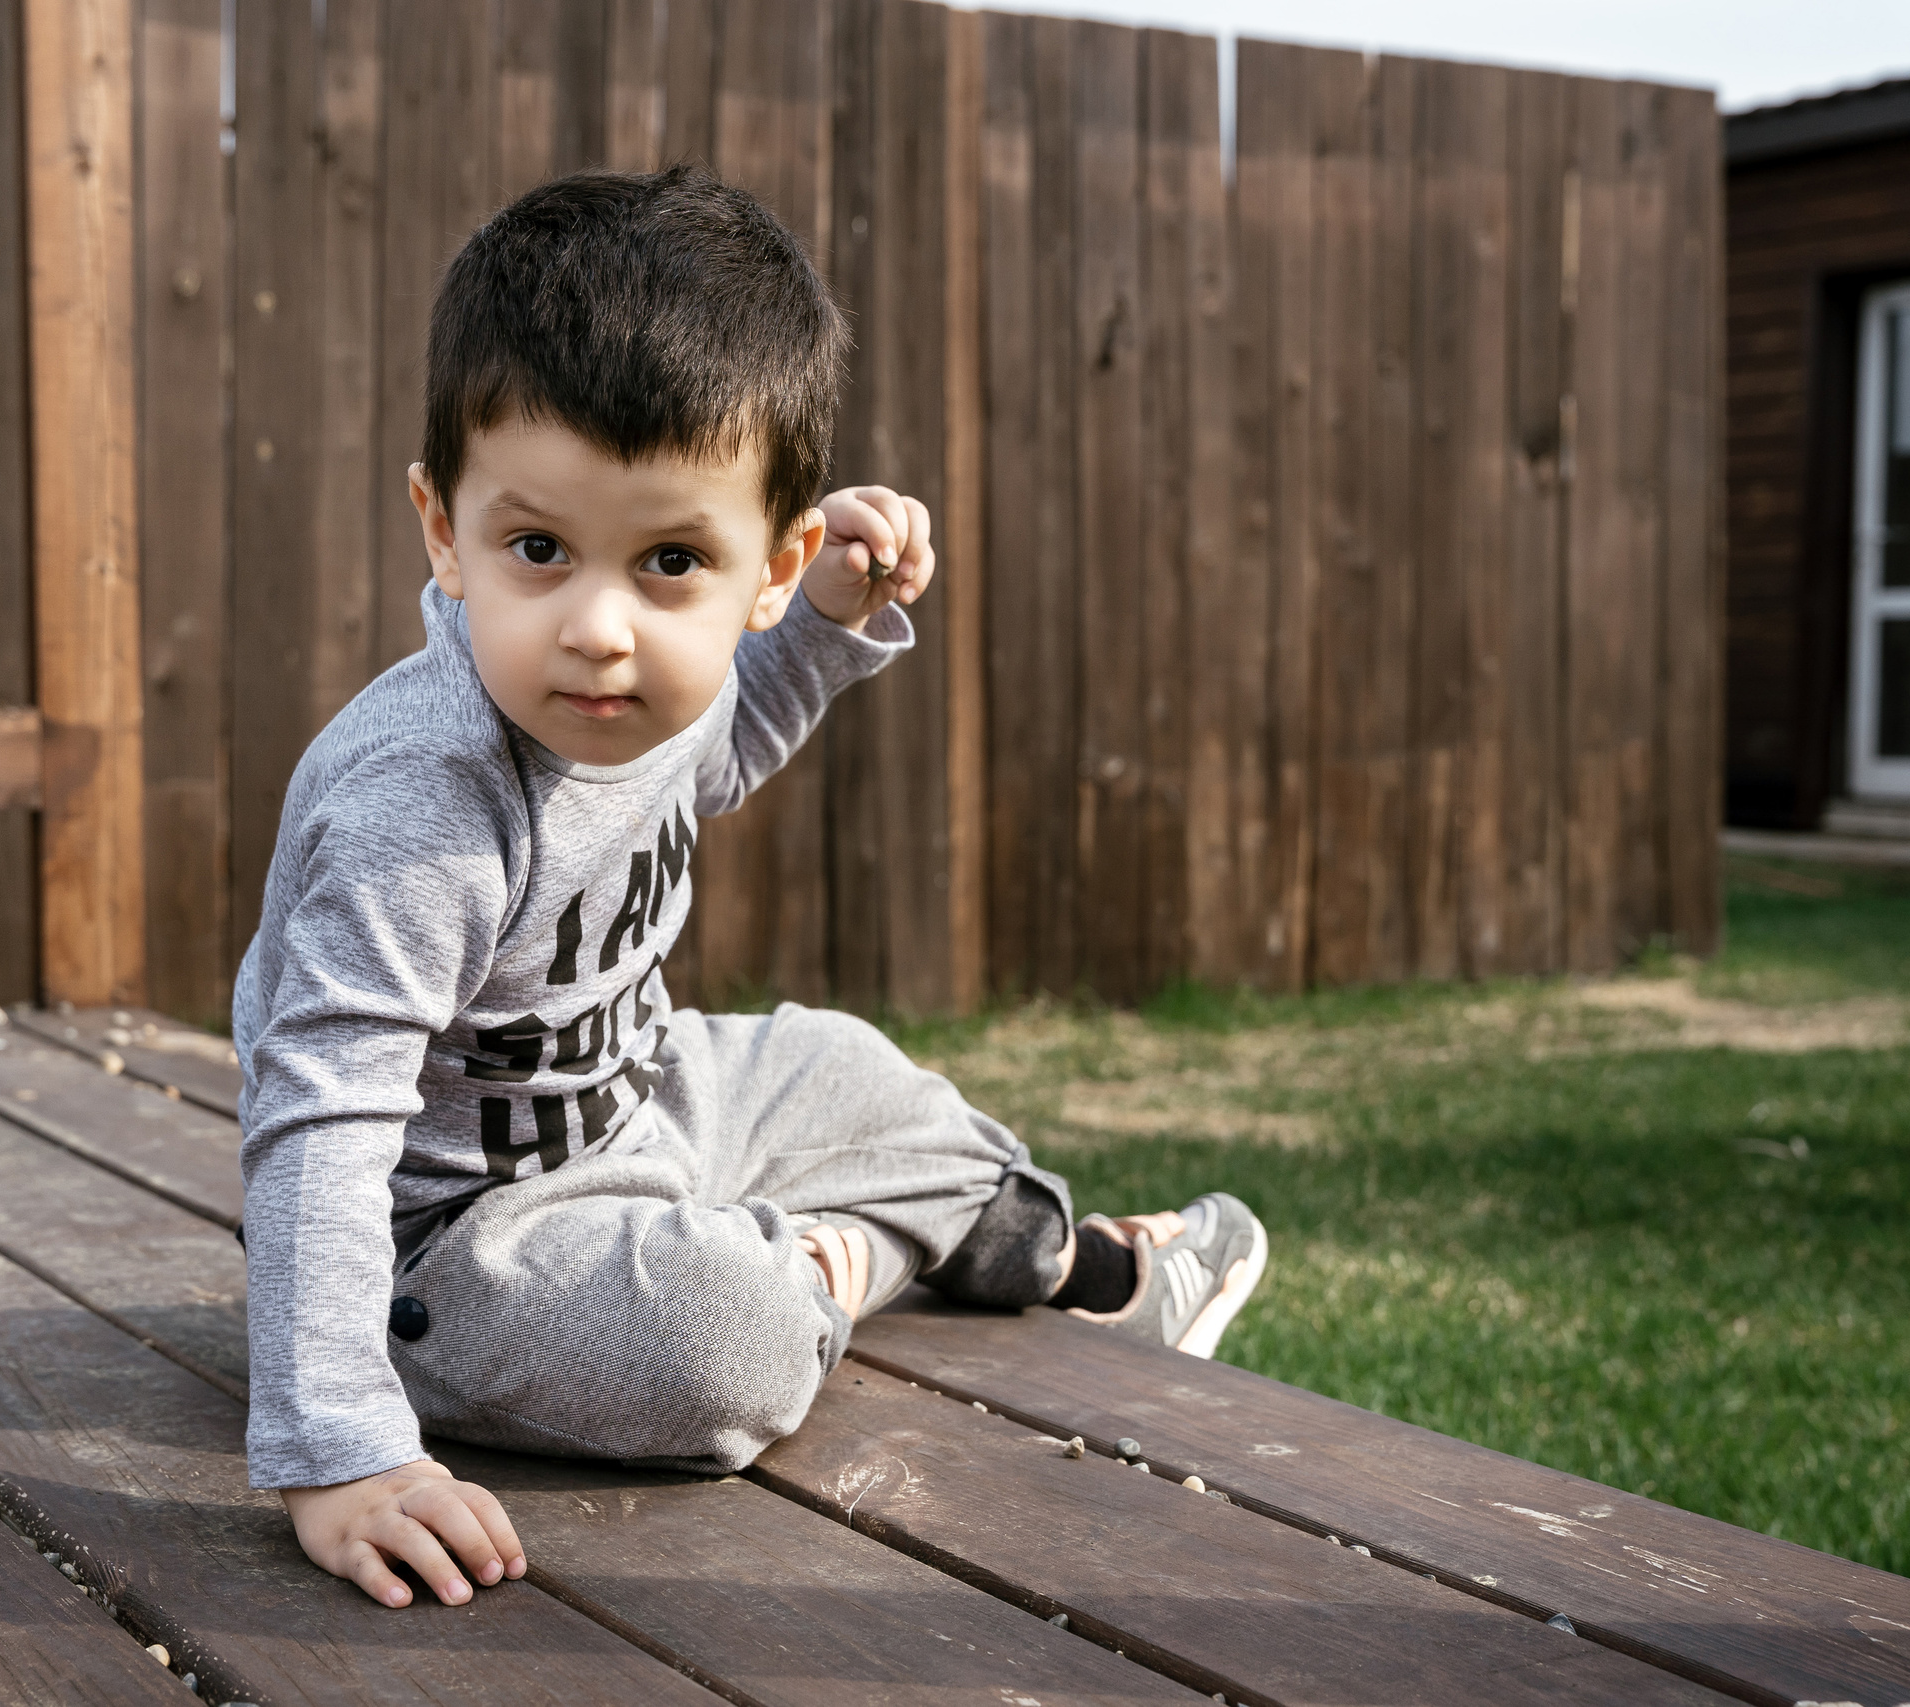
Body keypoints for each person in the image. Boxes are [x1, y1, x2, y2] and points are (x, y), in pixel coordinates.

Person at [233, 164, 1268, 1611]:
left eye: (669, 563)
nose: (597, 629)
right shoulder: (423, 801)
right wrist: (337, 1448)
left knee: (858, 1074)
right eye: (538, 550)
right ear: (440, 527)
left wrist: (837, 622)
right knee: (722, 1347)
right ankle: (828, 1272)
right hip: (456, 1244)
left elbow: (719, 749)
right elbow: (321, 1116)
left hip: (636, 1100)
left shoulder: (640, 689)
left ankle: (1061, 1261)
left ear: (763, 570)